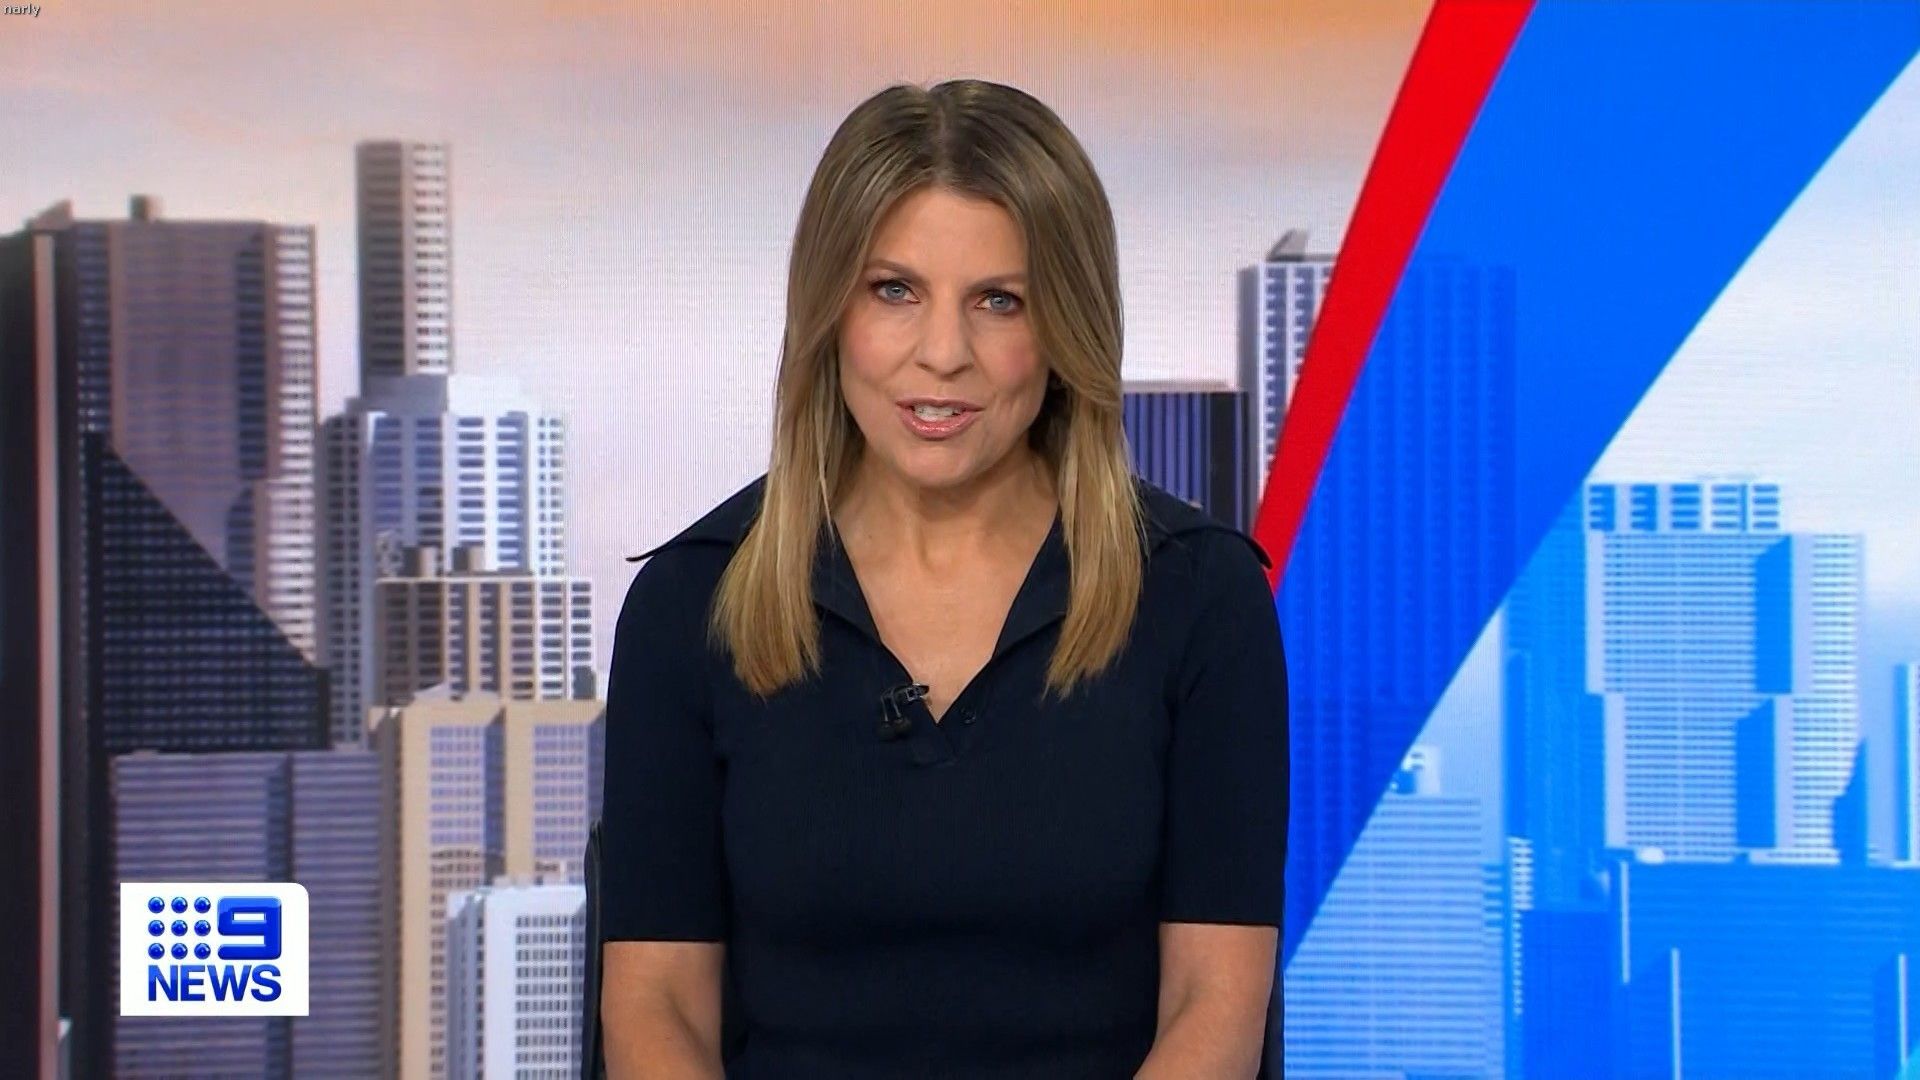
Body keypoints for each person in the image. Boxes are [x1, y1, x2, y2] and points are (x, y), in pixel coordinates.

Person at [598, 77, 1288, 1079]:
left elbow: (1213, 1007)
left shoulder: (1200, 599)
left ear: (1067, 329)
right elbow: (656, 1005)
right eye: (895, 291)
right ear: (829, 311)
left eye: (999, 301)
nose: (943, 355)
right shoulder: (690, 604)